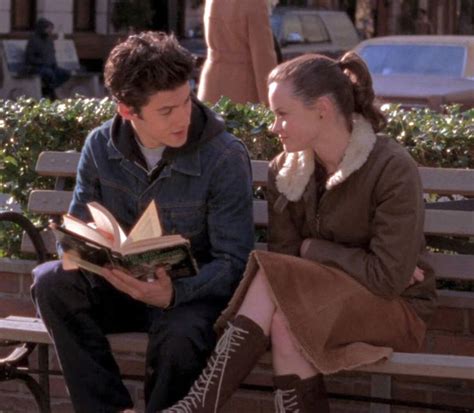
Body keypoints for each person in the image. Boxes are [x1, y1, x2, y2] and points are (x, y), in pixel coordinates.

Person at [161, 52, 438, 412]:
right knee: (283, 320)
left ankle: (198, 405)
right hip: (320, 300)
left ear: (322, 109)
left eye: (283, 114)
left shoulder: (390, 167)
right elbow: (287, 264)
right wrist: (341, 260)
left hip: (398, 309)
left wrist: (312, 249)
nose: (274, 127)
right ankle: (199, 405)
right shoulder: (285, 171)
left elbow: (385, 280)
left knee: (271, 280)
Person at [31, 32, 254, 413]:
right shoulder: (101, 146)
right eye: (167, 111)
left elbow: (233, 262)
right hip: (119, 288)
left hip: (188, 298)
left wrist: (173, 294)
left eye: (186, 100)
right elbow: (77, 229)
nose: (183, 116)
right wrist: (89, 253)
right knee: (51, 282)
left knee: (180, 336)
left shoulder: (224, 157)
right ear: (127, 111)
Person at [197, 0, 277, 105]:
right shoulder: (254, 3)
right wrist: (271, 103)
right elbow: (263, 59)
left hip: (210, 82)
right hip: (242, 88)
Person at [24, 17, 70, 99]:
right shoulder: (33, 40)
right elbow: (29, 57)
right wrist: (42, 62)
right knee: (48, 74)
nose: (50, 31)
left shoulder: (49, 40)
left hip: (50, 66)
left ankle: (48, 90)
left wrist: (54, 63)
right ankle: (51, 93)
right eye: (48, 28)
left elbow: (52, 54)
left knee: (65, 73)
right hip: (36, 67)